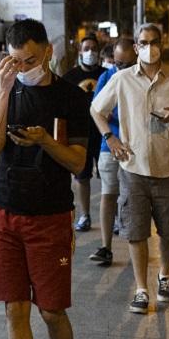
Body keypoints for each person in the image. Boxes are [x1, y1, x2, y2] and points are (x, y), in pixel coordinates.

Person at [0, 18, 88, 339]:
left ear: (47, 51)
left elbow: (78, 163)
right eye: (14, 60)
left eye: (29, 58)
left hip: (50, 217)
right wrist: (3, 91)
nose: (23, 66)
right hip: (5, 212)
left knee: (51, 310)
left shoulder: (68, 97)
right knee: (14, 308)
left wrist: (45, 140)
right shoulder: (8, 90)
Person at [90, 24, 169, 315]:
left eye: (154, 41)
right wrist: (109, 138)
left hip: (168, 167)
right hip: (133, 168)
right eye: (143, 42)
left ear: (161, 44)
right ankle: (141, 289)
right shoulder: (122, 79)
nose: (149, 46)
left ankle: (164, 275)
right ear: (136, 47)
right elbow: (96, 109)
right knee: (136, 231)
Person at [89, 37, 136, 267]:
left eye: (126, 65)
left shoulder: (141, 79)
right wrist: (110, 134)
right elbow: (98, 111)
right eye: (118, 64)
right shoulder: (107, 78)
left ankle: (135, 247)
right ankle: (106, 247)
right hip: (109, 146)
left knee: (132, 199)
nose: (121, 69)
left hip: (135, 148)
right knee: (108, 194)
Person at [61, 35, 105, 232]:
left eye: (94, 48)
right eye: (86, 48)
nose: (90, 52)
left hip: (104, 134)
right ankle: (85, 215)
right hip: (80, 135)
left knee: (109, 178)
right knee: (82, 176)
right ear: (80, 51)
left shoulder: (108, 75)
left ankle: (112, 217)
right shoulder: (70, 78)